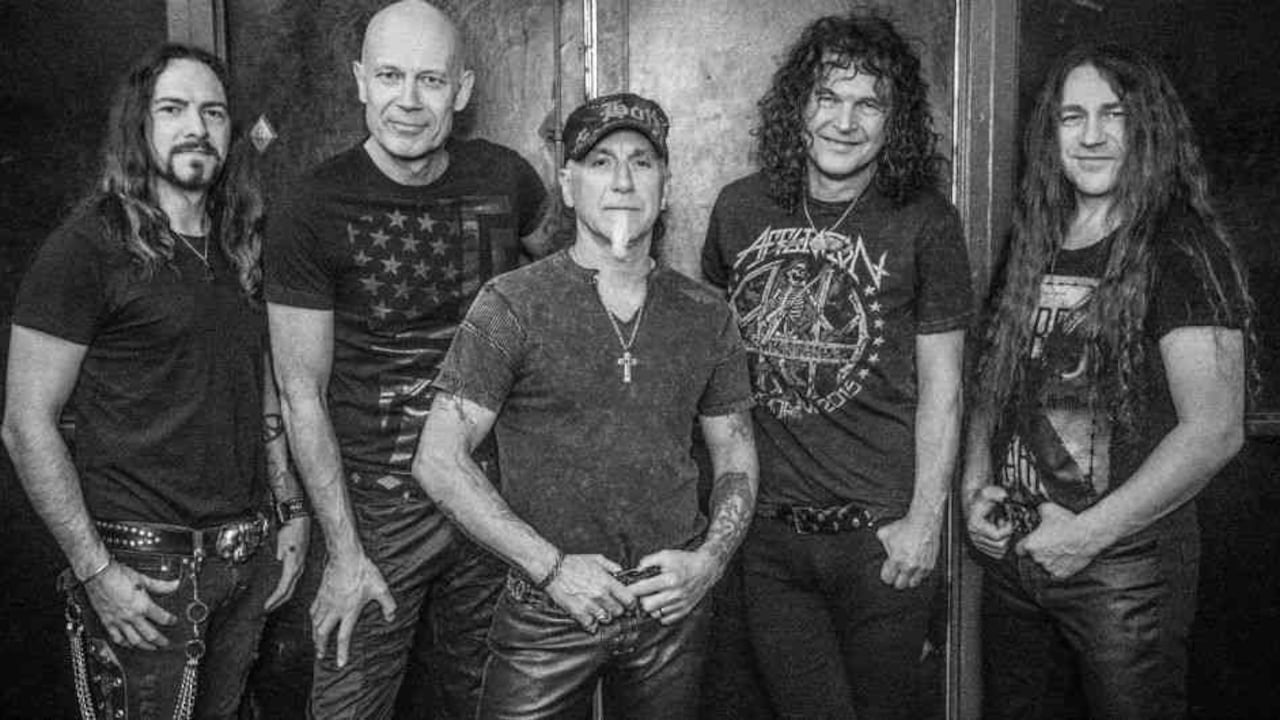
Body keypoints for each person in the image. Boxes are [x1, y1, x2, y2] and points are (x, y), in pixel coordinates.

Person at [412, 91, 758, 720]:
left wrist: (708, 563)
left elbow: (735, 456)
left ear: (665, 186)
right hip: (548, 609)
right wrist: (552, 570)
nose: (623, 181)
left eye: (641, 162)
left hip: (668, 610)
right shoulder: (513, 304)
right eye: (600, 162)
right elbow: (438, 460)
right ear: (569, 186)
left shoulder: (707, 315)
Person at [1, 43, 309, 720]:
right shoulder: (88, 246)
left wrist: (289, 509)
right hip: (144, 577)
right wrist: (95, 570)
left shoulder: (238, 243)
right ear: (139, 125)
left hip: (243, 561)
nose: (196, 127)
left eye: (213, 112)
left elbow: (257, 385)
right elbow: (25, 424)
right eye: (173, 110)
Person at [264, 1, 553, 717]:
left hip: (487, 494)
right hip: (375, 509)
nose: (409, 100)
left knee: (488, 704)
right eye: (390, 75)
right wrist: (344, 553)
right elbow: (301, 395)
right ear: (360, 80)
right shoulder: (312, 207)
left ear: (462, 90)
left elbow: (571, 289)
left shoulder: (506, 180)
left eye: (431, 79)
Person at [962, 42, 1252, 720]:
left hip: (1125, 570)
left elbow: (1215, 431)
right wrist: (974, 488)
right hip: (1018, 556)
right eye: (1073, 117)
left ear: (1147, 126)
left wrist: (1088, 536)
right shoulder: (1036, 237)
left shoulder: (1181, 247)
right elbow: (993, 381)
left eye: (1113, 114)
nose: (1091, 136)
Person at [701, 12, 972, 720]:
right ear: (800, 106)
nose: (845, 122)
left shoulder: (926, 221)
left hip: (882, 539)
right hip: (769, 542)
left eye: (869, 103)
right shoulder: (739, 209)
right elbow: (713, 377)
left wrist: (925, 522)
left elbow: (944, 388)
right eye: (828, 96)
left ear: (894, 121)